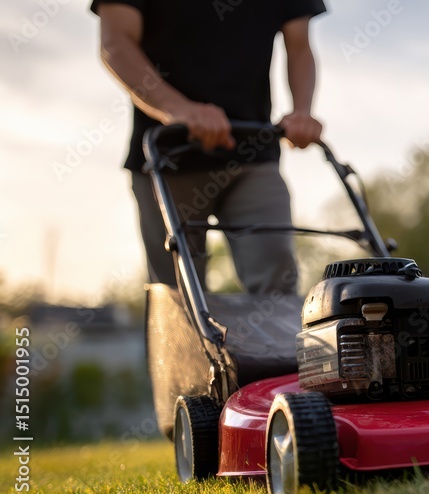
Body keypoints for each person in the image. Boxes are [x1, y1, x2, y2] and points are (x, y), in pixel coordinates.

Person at [91, 0, 327, 295]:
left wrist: (302, 110)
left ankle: (276, 341)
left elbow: (300, 46)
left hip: (253, 155)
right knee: (177, 295)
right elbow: (116, 42)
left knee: (276, 279)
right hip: (167, 159)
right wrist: (178, 110)